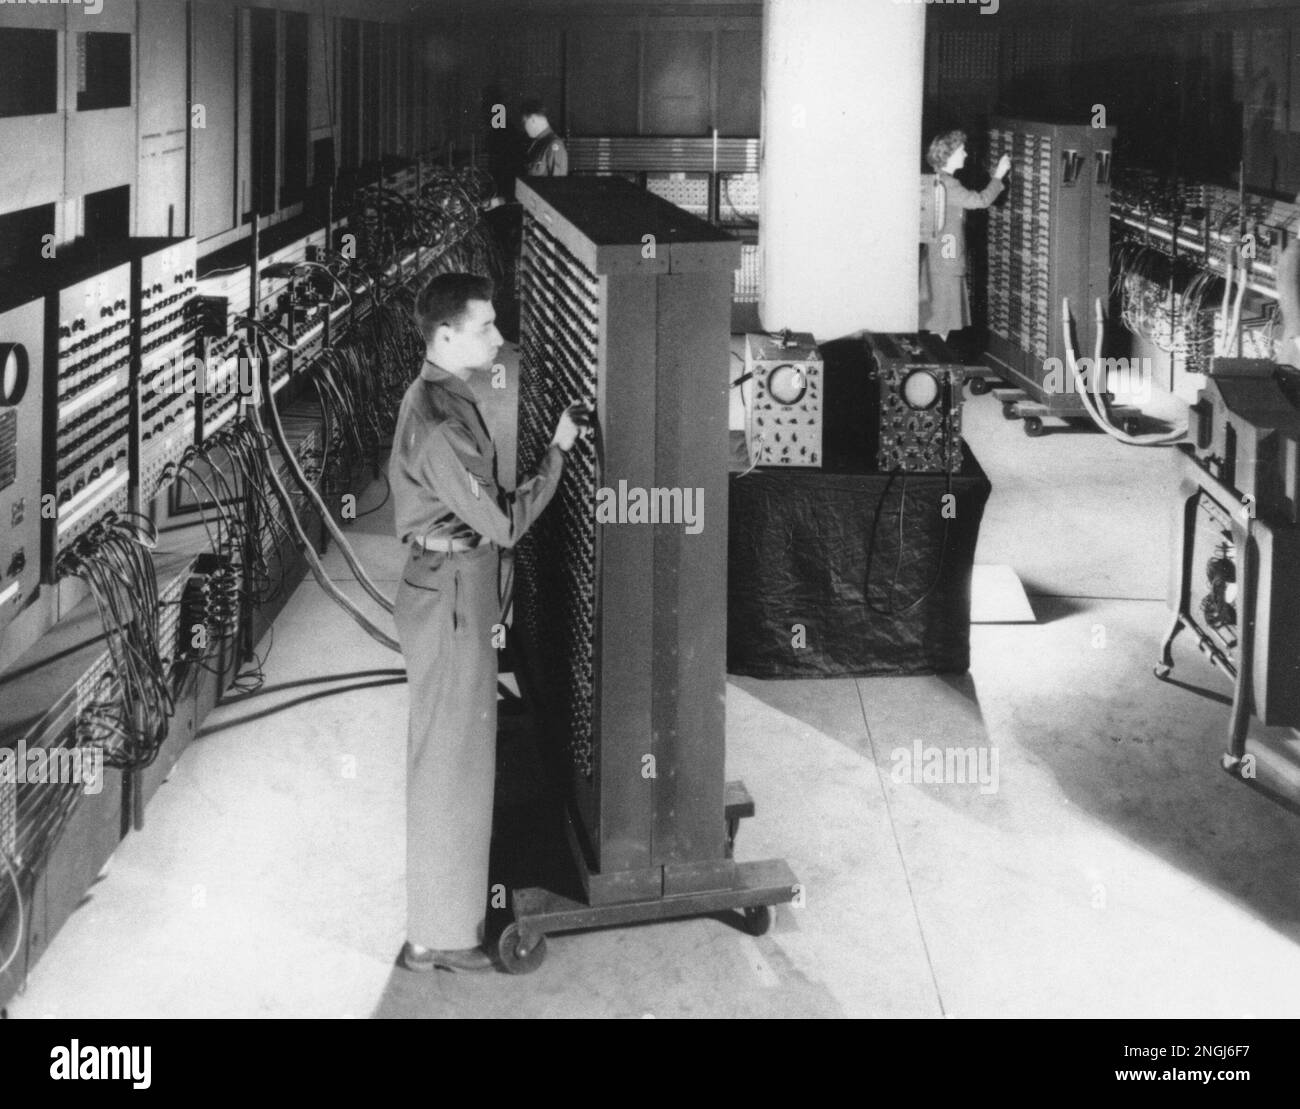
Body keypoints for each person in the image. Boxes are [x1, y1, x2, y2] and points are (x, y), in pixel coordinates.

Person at [389, 272, 588, 972]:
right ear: (445, 336)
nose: (498, 338)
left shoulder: (445, 392)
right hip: (450, 597)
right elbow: (503, 520)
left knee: (459, 760)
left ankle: (442, 921)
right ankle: (436, 939)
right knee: (449, 766)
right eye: (485, 327)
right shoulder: (439, 421)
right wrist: (558, 453)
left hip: (455, 586)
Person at [919, 129, 1011, 341]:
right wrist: (998, 175)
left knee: (939, 321)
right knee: (942, 323)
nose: (966, 155)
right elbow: (980, 201)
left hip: (936, 258)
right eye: (961, 151)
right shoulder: (949, 184)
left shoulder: (935, 179)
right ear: (949, 156)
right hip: (947, 261)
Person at [521, 99, 568, 178]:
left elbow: (558, 185)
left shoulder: (553, 145)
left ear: (532, 120)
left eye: (524, 122)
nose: (523, 128)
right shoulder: (537, 143)